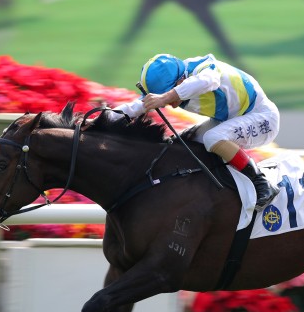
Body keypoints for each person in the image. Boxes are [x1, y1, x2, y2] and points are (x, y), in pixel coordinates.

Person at [114, 53, 280, 209]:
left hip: (262, 118)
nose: (169, 105)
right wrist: (98, 119)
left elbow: (208, 81)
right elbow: (134, 107)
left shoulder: (206, 68)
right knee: (183, 143)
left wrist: (165, 97)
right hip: (231, 120)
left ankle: (260, 181)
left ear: (181, 80)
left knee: (212, 138)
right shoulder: (176, 80)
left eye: (169, 97)